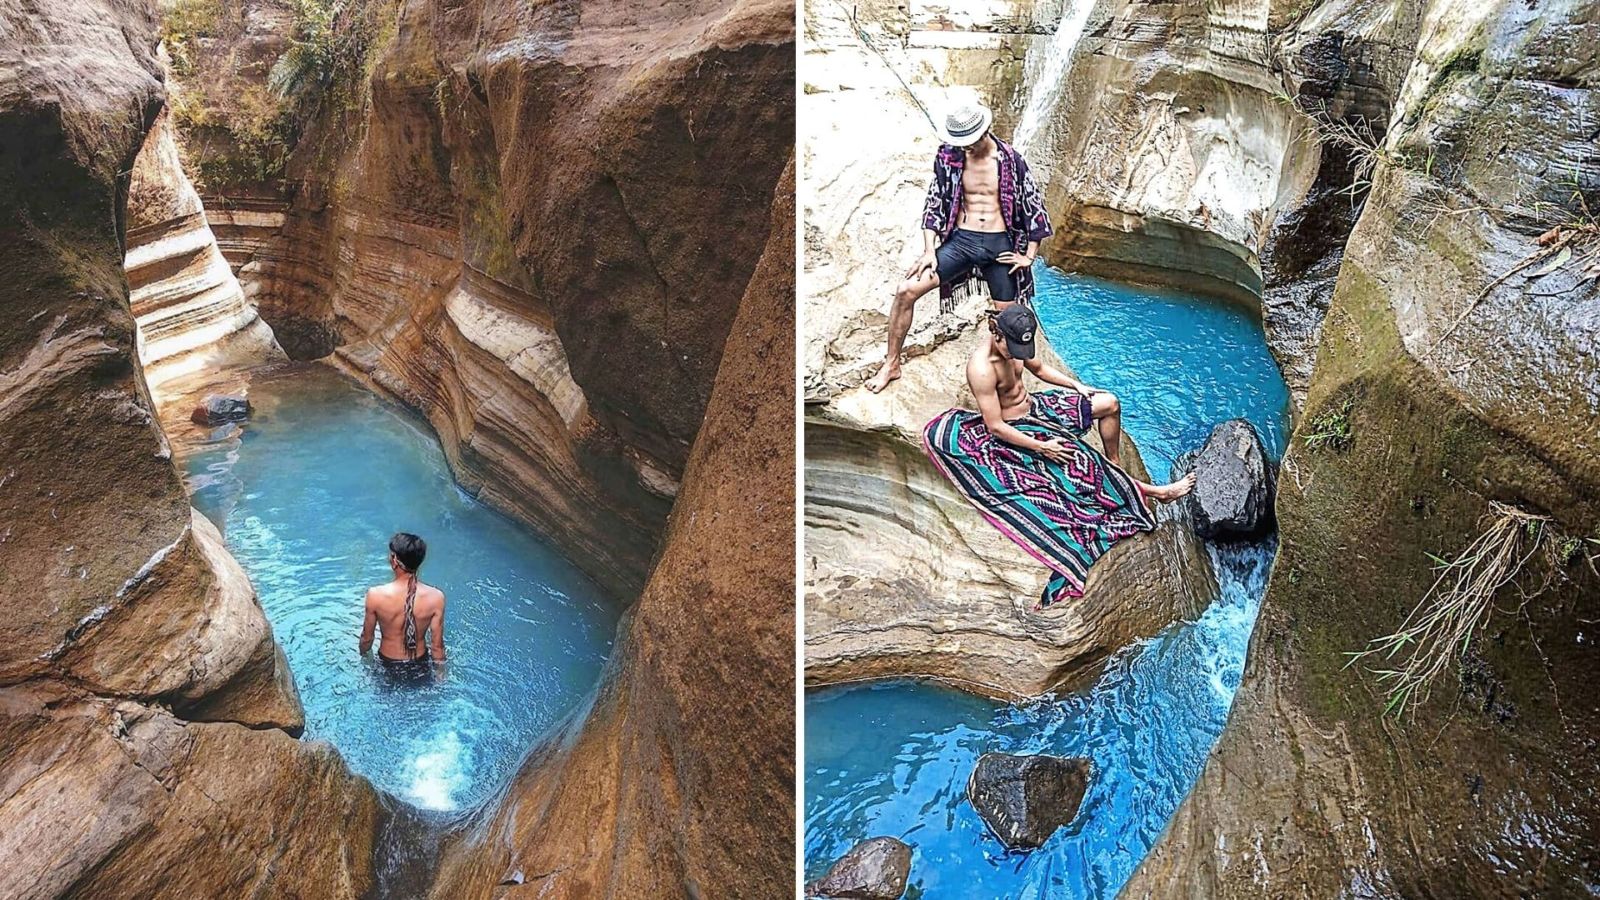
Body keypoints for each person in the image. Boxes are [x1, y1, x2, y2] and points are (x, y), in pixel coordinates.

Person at [923, 306, 1195, 609]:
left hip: (1037, 408)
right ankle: (1154, 491)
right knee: (1083, 463)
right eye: (1012, 348)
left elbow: (1038, 370)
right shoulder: (981, 368)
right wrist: (1042, 448)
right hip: (1018, 429)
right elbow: (995, 426)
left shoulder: (1016, 340)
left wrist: (1074, 384)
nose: (1017, 354)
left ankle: (1115, 465)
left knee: (1109, 403)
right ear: (995, 333)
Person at [866, 100, 1053, 393]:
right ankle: (891, 364)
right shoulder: (948, 157)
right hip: (961, 242)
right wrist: (930, 250)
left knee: (1010, 321)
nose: (966, 148)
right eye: (961, 143)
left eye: (970, 142)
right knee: (906, 291)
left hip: (999, 246)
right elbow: (935, 202)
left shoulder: (1011, 160)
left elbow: (1033, 206)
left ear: (985, 131)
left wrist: (1029, 255)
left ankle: (1011, 389)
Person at [359, 532, 446, 672]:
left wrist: (364, 660)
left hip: (386, 665)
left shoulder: (375, 595)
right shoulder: (436, 597)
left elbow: (367, 639)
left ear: (394, 560)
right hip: (421, 664)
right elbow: (437, 647)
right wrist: (441, 675)